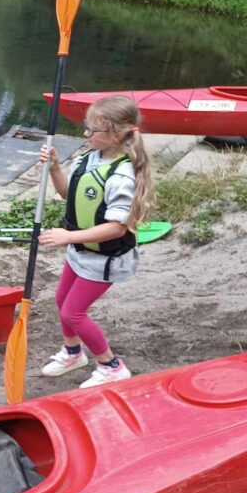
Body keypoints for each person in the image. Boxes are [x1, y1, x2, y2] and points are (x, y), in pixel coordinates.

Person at [36, 95, 154, 387]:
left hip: (104, 258)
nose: (85, 134)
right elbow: (67, 194)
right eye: (85, 127)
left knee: (73, 312)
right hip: (80, 250)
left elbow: (116, 227)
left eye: (92, 130)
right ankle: (73, 353)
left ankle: (111, 366)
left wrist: (68, 236)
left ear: (117, 134)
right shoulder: (88, 159)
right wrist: (54, 168)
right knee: (61, 301)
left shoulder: (122, 176)